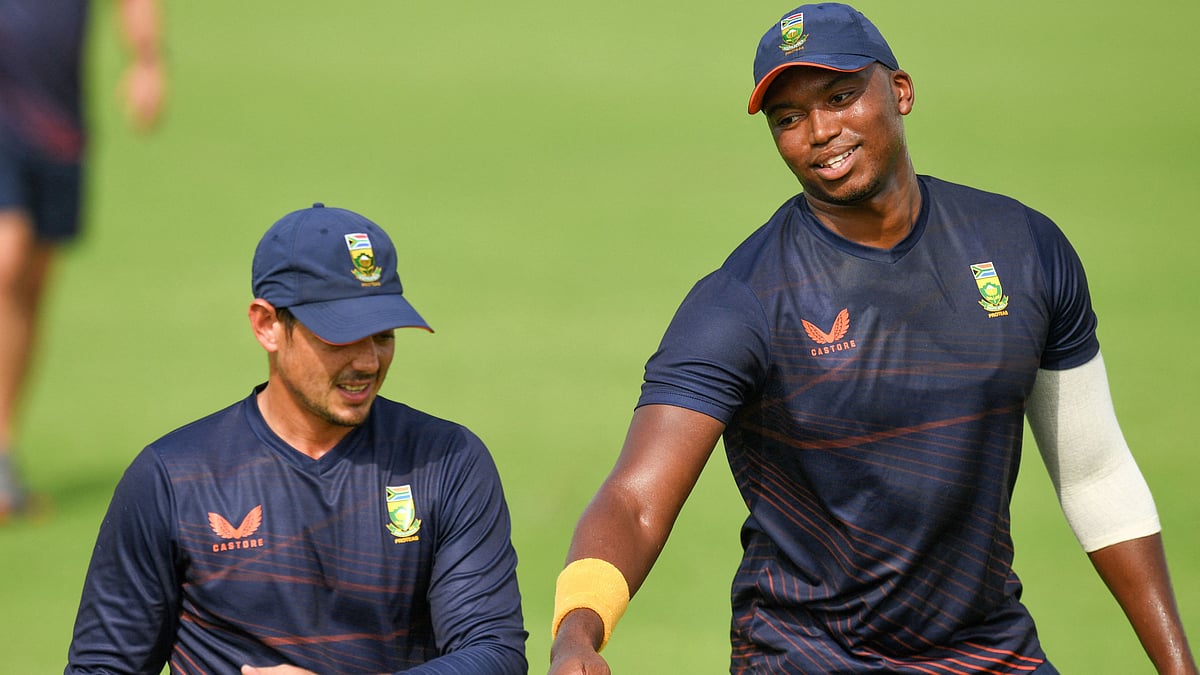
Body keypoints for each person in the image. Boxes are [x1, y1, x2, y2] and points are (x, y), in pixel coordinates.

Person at [548, 4, 1196, 674]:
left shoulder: (1022, 249)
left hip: (988, 650)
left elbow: (1095, 474)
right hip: (807, 656)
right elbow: (635, 498)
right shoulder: (741, 301)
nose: (820, 131)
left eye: (839, 97)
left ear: (902, 92)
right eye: (789, 118)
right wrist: (578, 632)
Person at [65, 204, 527, 673]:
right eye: (341, 336)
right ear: (266, 325)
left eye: (384, 335)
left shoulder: (446, 461)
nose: (368, 362)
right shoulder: (175, 477)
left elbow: (494, 653)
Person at [0, 0, 167, 520]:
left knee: (30, 287)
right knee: (7, 257)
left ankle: (1, 453)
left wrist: (146, 59)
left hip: (56, 120)